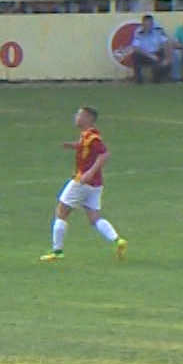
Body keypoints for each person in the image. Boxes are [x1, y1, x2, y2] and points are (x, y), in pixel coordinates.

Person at [41, 106, 125, 263]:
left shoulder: (93, 138)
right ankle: (117, 240)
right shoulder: (88, 136)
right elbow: (87, 148)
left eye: (79, 115)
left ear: (88, 118)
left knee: (61, 211)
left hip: (82, 181)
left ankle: (57, 251)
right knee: (94, 217)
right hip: (95, 185)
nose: (76, 117)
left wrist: (89, 172)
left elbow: (104, 155)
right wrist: (73, 146)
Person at [125, 14, 171, 83]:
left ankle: (158, 80)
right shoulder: (138, 31)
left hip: (157, 52)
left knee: (165, 62)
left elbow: (166, 43)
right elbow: (136, 47)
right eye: (145, 25)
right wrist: (150, 55)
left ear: (152, 24)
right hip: (145, 54)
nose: (147, 27)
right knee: (135, 56)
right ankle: (139, 80)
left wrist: (167, 58)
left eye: (149, 25)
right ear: (142, 24)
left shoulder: (158, 29)